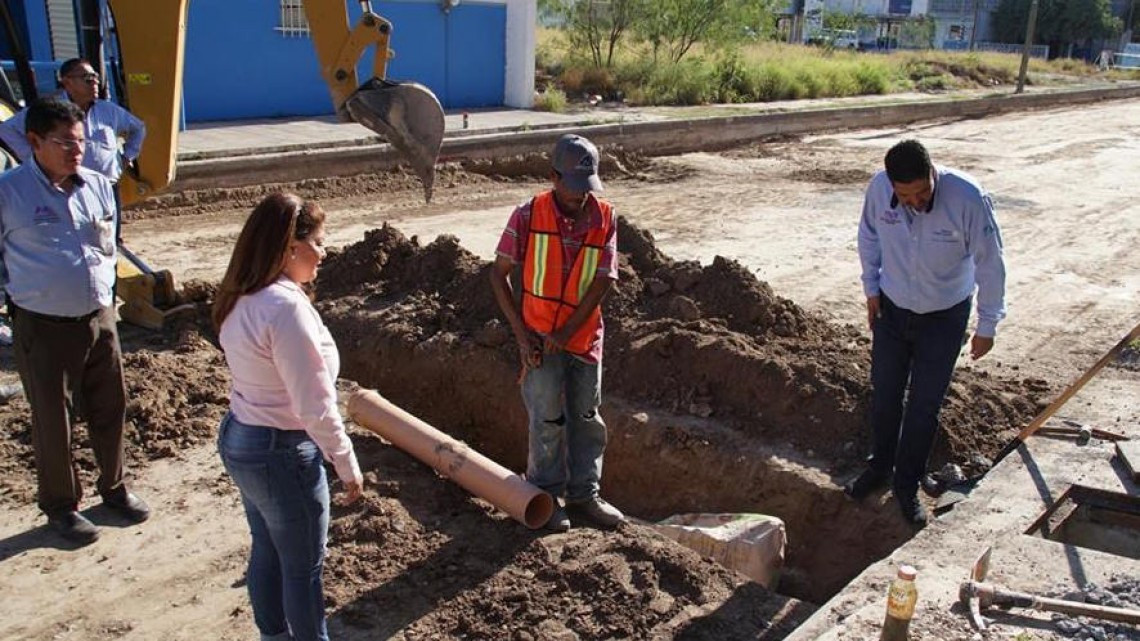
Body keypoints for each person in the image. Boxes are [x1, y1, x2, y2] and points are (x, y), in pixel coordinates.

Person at [214, 192, 363, 641]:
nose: (324, 251)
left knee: (269, 549)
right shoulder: (285, 309)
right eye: (317, 241)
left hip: (242, 436)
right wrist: (346, 461)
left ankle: (273, 635)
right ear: (288, 247)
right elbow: (314, 402)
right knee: (303, 569)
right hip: (280, 450)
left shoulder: (243, 294)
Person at [0, 98, 149, 545]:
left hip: (101, 319)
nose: (75, 150)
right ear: (34, 142)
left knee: (110, 406)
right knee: (53, 418)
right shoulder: (9, 193)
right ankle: (61, 508)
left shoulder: (100, 187)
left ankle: (114, 488)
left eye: (80, 141)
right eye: (64, 142)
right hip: (43, 325)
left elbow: (107, 245)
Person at [847, 139, 1006, 526]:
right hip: (892, 307)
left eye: (923, 192)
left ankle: (907, 482)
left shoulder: (968, 198)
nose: (916, 201)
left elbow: (991, 263)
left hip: (945, 316)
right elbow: (868, 236)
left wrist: (987, 325)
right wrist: (871, 288)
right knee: (884, 392)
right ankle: (880, 466)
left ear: (933, 173)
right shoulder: (878, 189)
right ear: (892, 186)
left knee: (924, 404)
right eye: (906, 196)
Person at [489, 134, 625, 532]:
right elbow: (498, 275)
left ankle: (585, 495)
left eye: (588, 188)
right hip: (538, 338)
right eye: (573, 187)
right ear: (553, 177)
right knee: (547, 418)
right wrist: (522, 336)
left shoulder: (605, 216)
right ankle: (545, 495)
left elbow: (603, 280)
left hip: (581, 338)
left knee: (586, 417)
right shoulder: (528, 215)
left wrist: (567, 331)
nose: (581, 197)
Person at [0, 57, 144, 240]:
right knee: (74, 239)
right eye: (87, 78)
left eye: (96, 77)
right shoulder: (50, 110)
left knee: (108, 241)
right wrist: (33, 157)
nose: (94, 82)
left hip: (106, 186)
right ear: (67, 82)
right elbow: (6, 129)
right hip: (67, 188)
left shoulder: (109, 110)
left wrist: (127, 156)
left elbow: (139, 128)